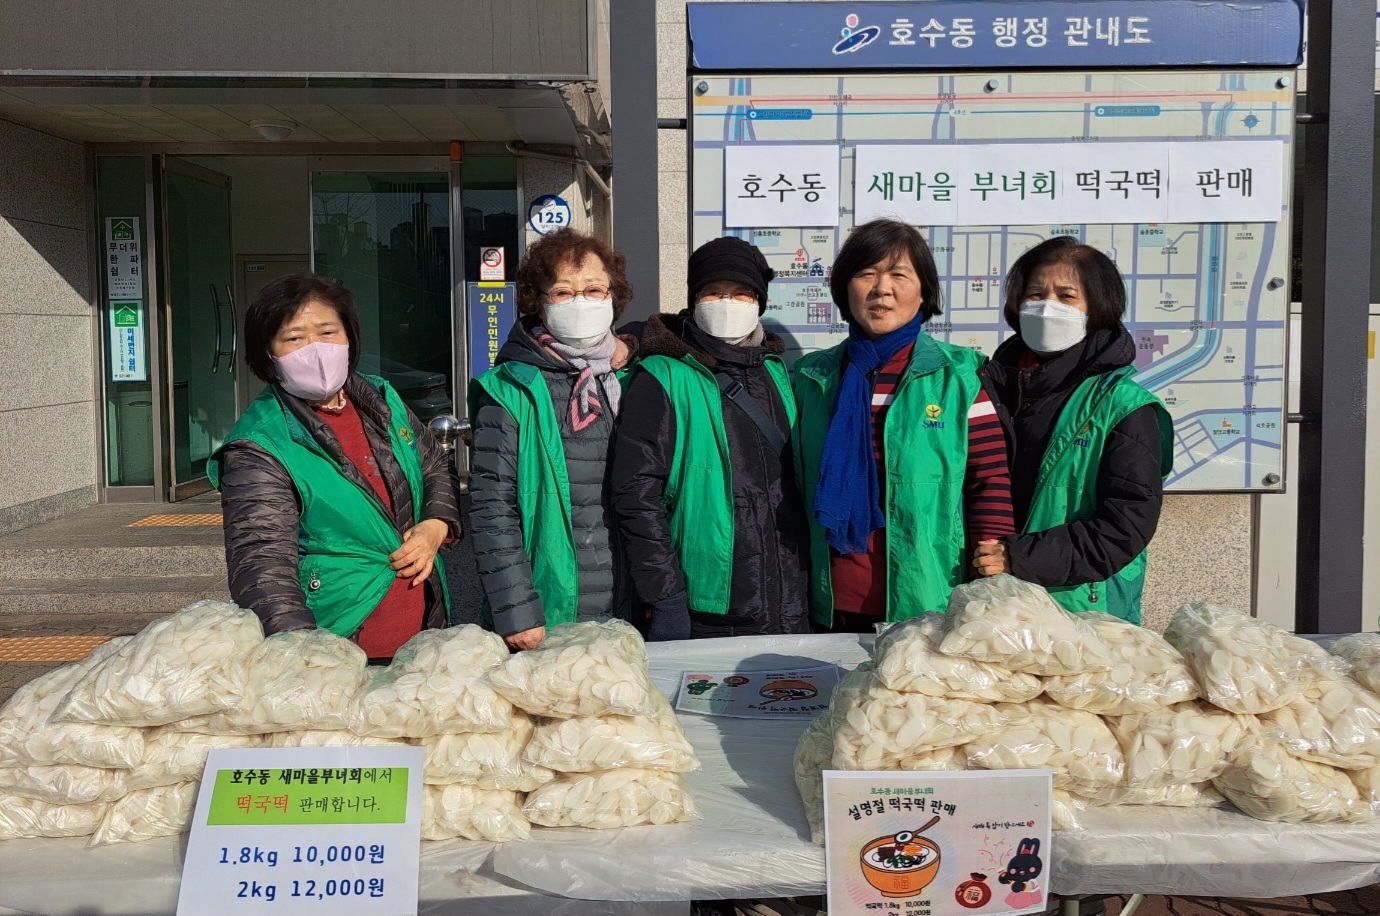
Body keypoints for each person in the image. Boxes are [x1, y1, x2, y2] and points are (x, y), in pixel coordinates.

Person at [210, 273, 461, 658]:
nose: (315, 349)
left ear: (349, 339)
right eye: (294, 338)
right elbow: (263, 568)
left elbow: (433, 466)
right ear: (268, 356)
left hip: (423, 629)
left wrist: (434, 526)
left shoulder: (382, 399)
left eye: (328, 333)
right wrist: (304, 660)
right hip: (339, 642)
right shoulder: (260, 444)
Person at [794, 218, 1015, 631]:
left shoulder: (959, 378)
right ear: (845, 288)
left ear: (923, 291)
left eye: (899, 274)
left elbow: (989, 482)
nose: (882, 289)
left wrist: (992, 576)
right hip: (828, 597)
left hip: (928, 594)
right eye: (866, 274)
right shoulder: (813, 378)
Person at [609, 236, 811, 640]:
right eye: (714, 292)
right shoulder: (664, 375)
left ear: (760, 302)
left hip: (789, 596)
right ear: (694, 299)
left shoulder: (774, 370)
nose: (727, 302)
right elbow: (636, 494)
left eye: (741, 293)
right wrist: (665, 597)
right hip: (709, 603)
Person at [972, 236, 1172, 624]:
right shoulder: (987, 386)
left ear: (1098, 309)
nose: (1047, 307)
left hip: (1083, 611)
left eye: (1066, 296)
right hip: (990, 604)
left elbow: (1125, 526)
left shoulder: (1123, 405)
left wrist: (1020, 557)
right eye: (1034, 294)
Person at [469, 228, 636, 650]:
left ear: (613, 297)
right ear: (537, 302)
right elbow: (492, 507)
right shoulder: (509, 388)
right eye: (563, 292)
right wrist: (516, 611)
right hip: (548, 605)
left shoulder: (631, 377)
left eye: (594, 289)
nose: (581, 302)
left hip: (629, 596)